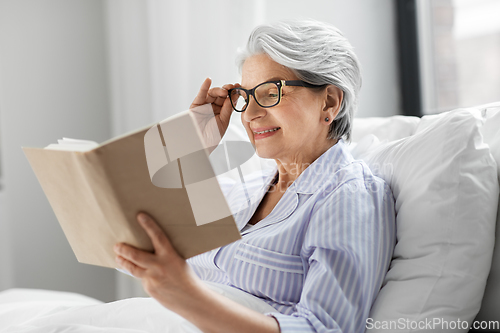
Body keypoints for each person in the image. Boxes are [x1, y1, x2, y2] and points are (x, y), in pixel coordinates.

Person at [113, 19, 396, 333]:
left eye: (270, 92)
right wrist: (192, 143)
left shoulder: (348, 197)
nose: (249, 114)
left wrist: (186, 295)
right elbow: (138, 226)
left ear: (329, 101)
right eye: (246, 96)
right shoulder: (243, 191)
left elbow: (325, 329)